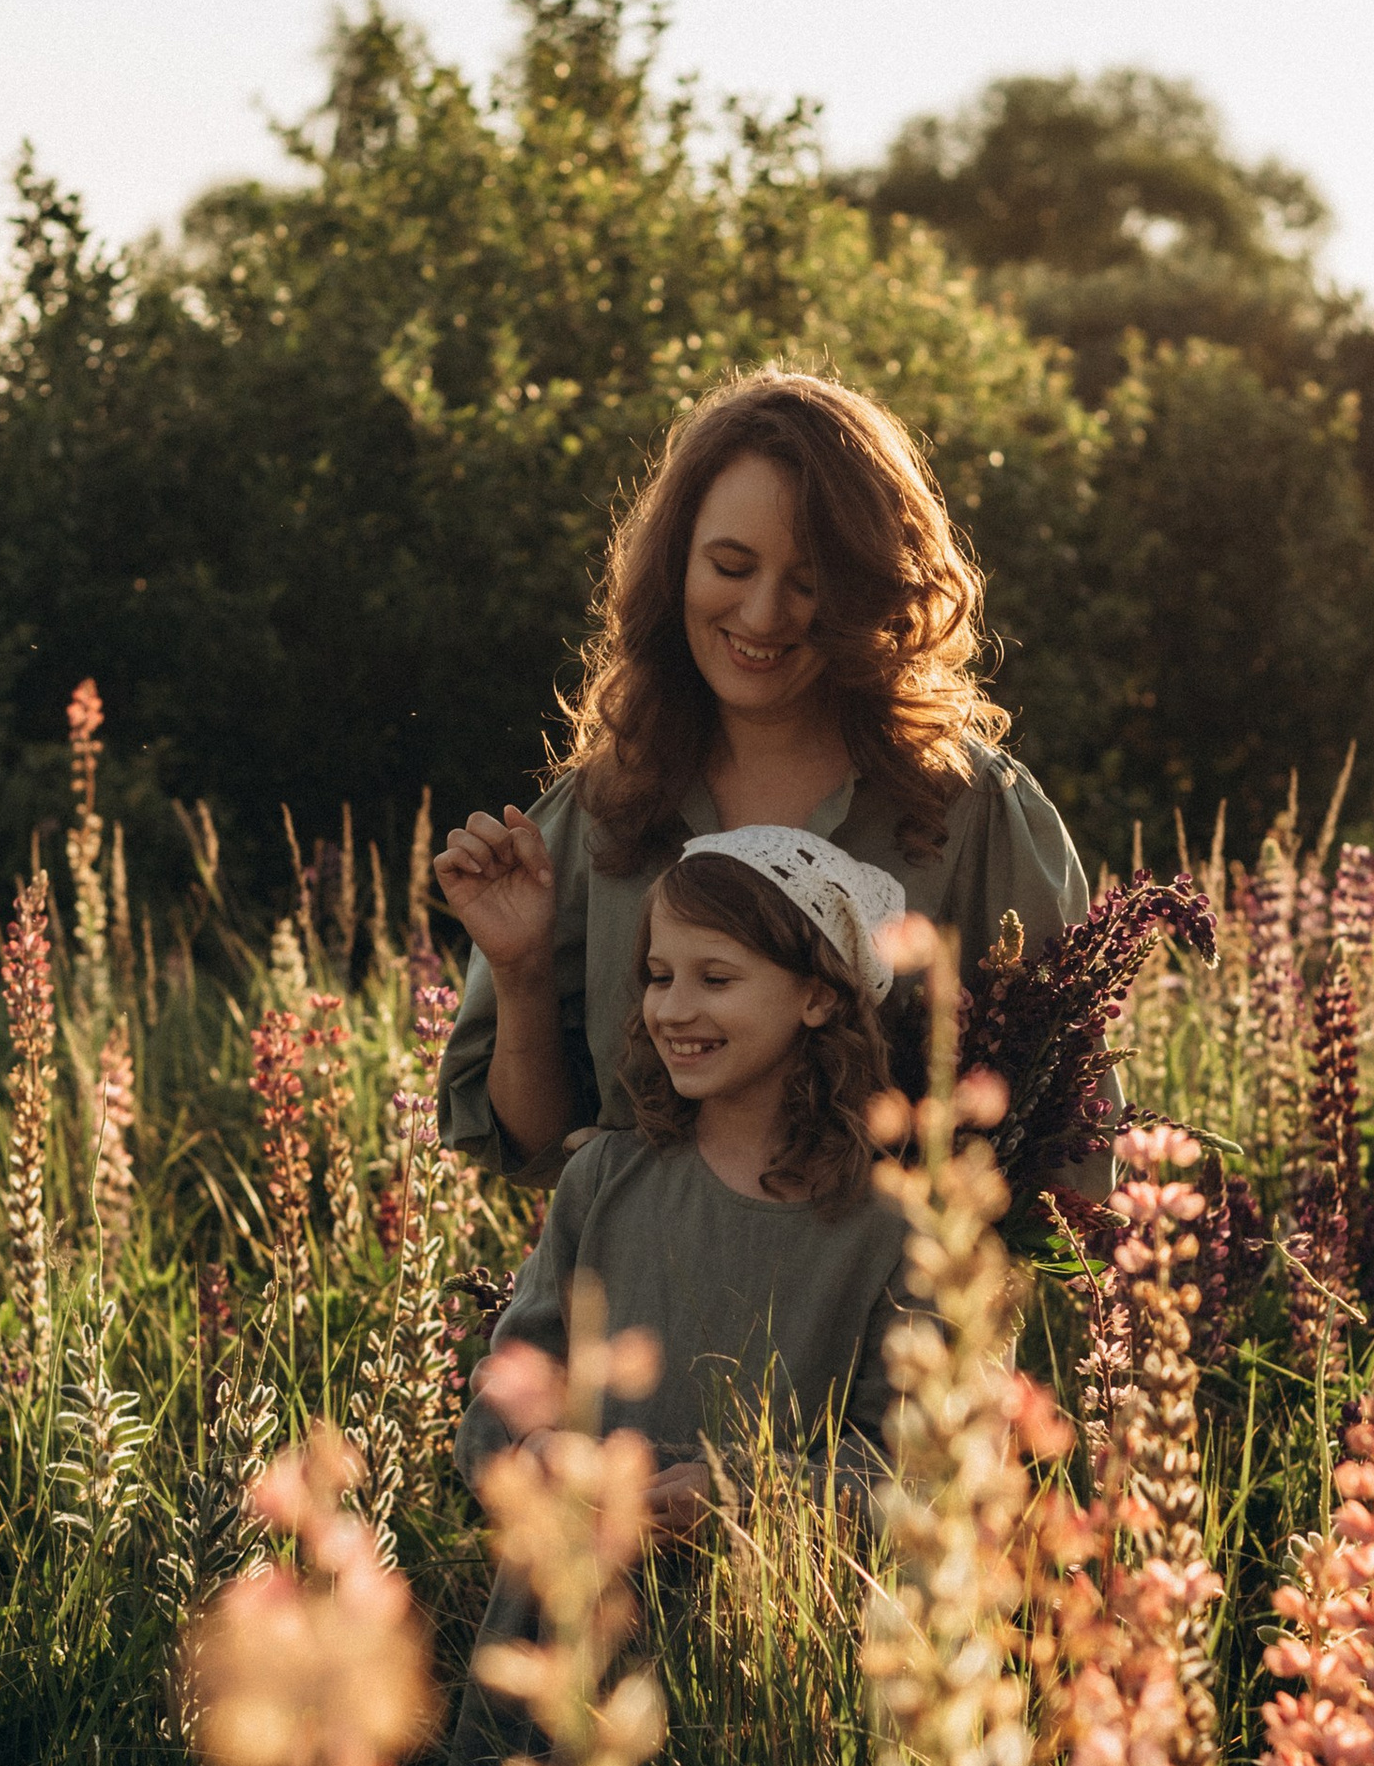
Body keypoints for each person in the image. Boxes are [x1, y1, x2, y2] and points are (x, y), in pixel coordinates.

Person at [435, 366, 1088, 1174]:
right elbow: (534, 1149)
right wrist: (523, 972)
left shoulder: (974, 811)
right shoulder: (606, 803)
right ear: (676, 565)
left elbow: (1067, 1148)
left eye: (811, 583)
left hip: (880, 1300)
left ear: (870, 591)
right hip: (633, 1298)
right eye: (732, 567)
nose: (762, 615)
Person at [443, 827, 914, 1766]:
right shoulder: (607, 1179)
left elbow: (911, 1479)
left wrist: (742, 1496)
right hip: (562, 1636)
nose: (673, 1007)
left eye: (715, 976)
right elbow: (503, 1395)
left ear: (820, 993)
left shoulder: (892, 1227)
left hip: (770, 1658)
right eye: (658, 974)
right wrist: (533, 1458)